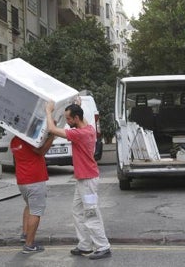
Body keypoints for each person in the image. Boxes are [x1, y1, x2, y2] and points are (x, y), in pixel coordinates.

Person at [45, 100, 112, 260]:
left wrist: (48, 111)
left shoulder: (79, 134)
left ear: (76, 118)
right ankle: (85, 245)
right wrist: (78, 105)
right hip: (84, 179)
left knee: (91, 213)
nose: (67, 123)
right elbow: (83, 119)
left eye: (68, 119)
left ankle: (103, 246)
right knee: (77, 211)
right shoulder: (88, 128)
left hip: (88, 180)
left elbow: (52, 129)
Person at [10, 133, 55, 254]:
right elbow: (41, 151)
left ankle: (25, 234)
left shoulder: (14, 141)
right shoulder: (28, 139)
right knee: (36, 212)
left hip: (22, 181)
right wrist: (51, 136)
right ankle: (29, 245)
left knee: (29, 206)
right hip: (34, 180)